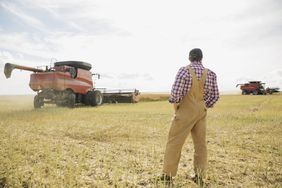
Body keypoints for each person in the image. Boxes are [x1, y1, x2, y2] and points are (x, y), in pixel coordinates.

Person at [160, 48, 219, 185]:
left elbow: (175, 94)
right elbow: (215, 96)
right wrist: (204, 105)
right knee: (200, 144)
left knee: (174, 142)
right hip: (201, 111)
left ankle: (168, 175)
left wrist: (177, 107)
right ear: (201, 58)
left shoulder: (184, 70)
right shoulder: (211, 73)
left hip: (185, 111)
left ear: (189, 58)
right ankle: (199, 176)